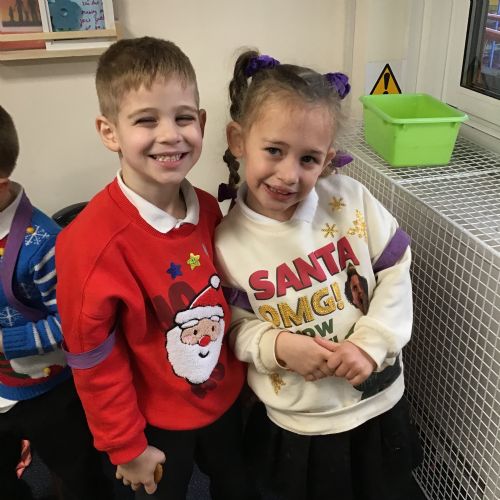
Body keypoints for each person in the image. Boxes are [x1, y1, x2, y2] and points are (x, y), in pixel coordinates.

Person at [215, 50, 420, 500]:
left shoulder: (349, 198)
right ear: (238, 139)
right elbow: (232, 327)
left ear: (327, 159)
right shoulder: (225, 241)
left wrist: (370, 344)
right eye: (274, 151)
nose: (288, 175)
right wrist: (277, 347)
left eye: (308, 159)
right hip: (299, 422)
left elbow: (395, 267)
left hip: (376, 403)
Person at [55, 37, 253, 500]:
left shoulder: (208, 208)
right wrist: (125, 447)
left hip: (225, 400)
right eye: (146, 120)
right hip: (152, 424)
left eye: (183, 118)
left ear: (202, 122)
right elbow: (92, 360)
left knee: (240, 486)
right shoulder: (87, 244)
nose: (170, 135)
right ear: (110, 132)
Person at [0, 104, 114, 500]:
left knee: (78, 476)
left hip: (48, 391)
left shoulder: (43, 242)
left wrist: (6, 343)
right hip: (3, 387)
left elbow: (72, 323)